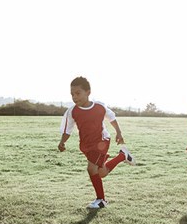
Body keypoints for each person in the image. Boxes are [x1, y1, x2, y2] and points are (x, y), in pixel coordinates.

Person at [58, 76, 136, 209]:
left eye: (78, 93)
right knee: (101, 173)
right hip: (86, 145)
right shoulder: (72, 112)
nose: (75, 97)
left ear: (88, 92)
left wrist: (118, 132)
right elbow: (67, 130)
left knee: (91, 169)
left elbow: (112, 118)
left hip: (101, 141)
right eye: (72, 94)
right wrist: (62, 142)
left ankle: (101, 200)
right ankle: (122, 156)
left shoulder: (99, 106)